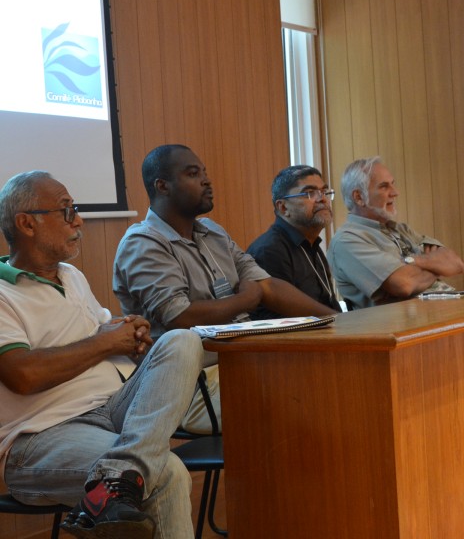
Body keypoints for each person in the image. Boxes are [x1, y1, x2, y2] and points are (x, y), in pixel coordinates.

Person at [0, 171, 204, 539]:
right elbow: (22, 375)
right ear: (27, 223)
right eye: (66, 211)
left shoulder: (72, 277)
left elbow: (103, 335)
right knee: (167, 470)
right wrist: (107, 342)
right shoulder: (2, 292)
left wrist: (131, 334)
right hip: (40, 436)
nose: (78, 220)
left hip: (111, 410)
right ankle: (118, 480)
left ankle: (114, 478)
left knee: (181, 340)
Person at [113, 145, 338, 432]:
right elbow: (180, 316)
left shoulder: (213, 232)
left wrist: (336, 320)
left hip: (243, 362)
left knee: (333, 373)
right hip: (192, 385)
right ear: (163, 186)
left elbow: (265, 285)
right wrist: (246, 298)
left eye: (204, 173)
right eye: (193, 174)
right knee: (315, 392)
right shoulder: (143, 243)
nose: (207, 180)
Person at [327, 156, 464, 310]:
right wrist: (436, 265)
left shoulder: (402, 230)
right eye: (384, 186)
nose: (395, 192)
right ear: (359, 197)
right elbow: (404, 284)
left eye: (393, 184)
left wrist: (414, 261)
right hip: (404, 326)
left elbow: (456, 263)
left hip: (443, 311)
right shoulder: (347, 241)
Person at [246, 165, 342, 318]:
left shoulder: (312, 244)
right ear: (283, 207)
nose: (322, 199)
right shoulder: (269, 250)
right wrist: (342, 322)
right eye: (310, 193)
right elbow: (283, 320)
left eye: (324, 191)